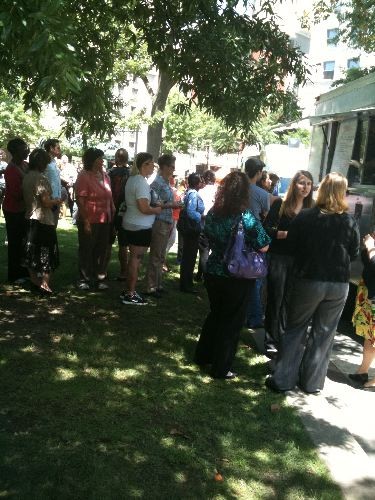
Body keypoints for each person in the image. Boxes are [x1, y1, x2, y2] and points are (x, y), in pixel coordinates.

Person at [266, 172, 360, 394]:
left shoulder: (306, 217)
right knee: (324, 333)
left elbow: (292, 246)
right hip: (338, 284)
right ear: (342, 193)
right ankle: (312, 383)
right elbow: (354, 253)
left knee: (296, 328)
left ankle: (282, 379)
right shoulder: (349, 220)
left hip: (308, 280)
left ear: (322, 190)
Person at [194, 172, 270, 379]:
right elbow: (264, 245)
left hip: (213, 271)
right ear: (245, 192)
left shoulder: (213, 213)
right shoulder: (245, 216)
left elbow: (207, 235)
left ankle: (203, 355)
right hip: (236, 275)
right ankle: (221, 367)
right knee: (231, 322)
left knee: (216, 314)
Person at [263, 170, 314, 358]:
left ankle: (284, 338)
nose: (306, 187)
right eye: (302, 183)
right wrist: (286, 234)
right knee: (276, 299)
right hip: (279, 258)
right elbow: (267, 230)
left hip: (300, 261)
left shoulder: (313, 209)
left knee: (291, 302)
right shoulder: (281, 204)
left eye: (309, 184)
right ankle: (270, 340)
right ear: (294, 185)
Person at [120, 152, 161, 305]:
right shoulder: (141, 182)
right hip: (140, 226)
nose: (153, 166)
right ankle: (130, 293)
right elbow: (143, 207)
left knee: (134, 259)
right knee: (136, 260)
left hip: (131, 224)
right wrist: (156, 210)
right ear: (144, 165)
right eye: (151, 163)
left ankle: (128, 291)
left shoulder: (132, 180)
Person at [22, 148, 62, 293]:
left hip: (29, 217)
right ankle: (44, 284)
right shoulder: (40, 178)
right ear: (41, 163)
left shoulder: (27, 176)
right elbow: (45, 202)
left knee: (31, 251)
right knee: (46, 252)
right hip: (42, 220)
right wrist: (58, 201)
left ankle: (34, 280)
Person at [75, 148, 115, 290]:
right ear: (92, 160)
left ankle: (98, 278)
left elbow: (109, 197)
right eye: (99, 158)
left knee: (101, 250)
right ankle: (83, 279)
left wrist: (112, 210)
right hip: (89, 219)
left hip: (105, 219)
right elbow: (80, 200)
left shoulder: (105, 176)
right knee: (86, 249)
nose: (102, 161)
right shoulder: (84, 176)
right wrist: (85, 221)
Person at [145, 154, 181, 298]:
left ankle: (158, 284)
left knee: (161, 255)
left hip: (166, 221)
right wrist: (173, 205)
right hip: (159, 221)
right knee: (156, 255)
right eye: (172, 166)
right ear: (164, 166)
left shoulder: (166, 182)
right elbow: (154, 203)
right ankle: (150, 286)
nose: (173, 169)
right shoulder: (157, 182)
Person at [244, 157, 272, 329]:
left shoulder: (236, 188)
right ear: (259, 172)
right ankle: (254, 316)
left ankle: (242, 311)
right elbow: (266, 216)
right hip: (254, 235)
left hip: (234, 233)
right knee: (256, 276)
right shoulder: (261, 194)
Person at [349, 233, 375, 388]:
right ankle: (362, 372)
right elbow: (368, 263)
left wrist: (371, 247)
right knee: (369, 335)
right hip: (369, 292)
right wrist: (368, 249)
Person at [2, 138, 30, 283]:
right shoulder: (11, 169)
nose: (27, 150)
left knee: (24, 240)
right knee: (15, 241)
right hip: (13, 210)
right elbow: (16, 194)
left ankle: (23, 270)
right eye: (24, 148)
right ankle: (14, 274)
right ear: (15, 151)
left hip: (24, 210)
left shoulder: (25, 165)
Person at [179, 173, 205, 294]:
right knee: (189, 257)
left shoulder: (189, 192)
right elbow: (190, 211)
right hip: (192, 229)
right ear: (197, 183)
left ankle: (185, 282)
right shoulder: (193, 194)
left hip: (190, 229)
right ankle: (186, 284)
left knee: (188, 256)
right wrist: (201, 216)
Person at [107, 148, 131, 280]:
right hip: (124, 212)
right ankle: (123, 272)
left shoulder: (109, 173)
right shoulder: (131, 174)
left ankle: (102, 271)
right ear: (127, 158)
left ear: (116, 157)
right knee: (123, 244)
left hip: (110, 210)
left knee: (108, 243)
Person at [196, 170, 217, 281]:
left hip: (201, 222)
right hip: (213, 223)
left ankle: (202, 274)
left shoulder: (200, 191)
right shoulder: (217, 191)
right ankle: (203, 274)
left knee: (203, 250)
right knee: (207, 250)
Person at [44, 139, 62, 226]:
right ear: (51, 148)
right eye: (58, 148)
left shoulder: (54, 162)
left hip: (56, 200)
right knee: (48, 228)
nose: (60, 150)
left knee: (53, 226)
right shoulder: (44, 162)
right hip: (49, 201)